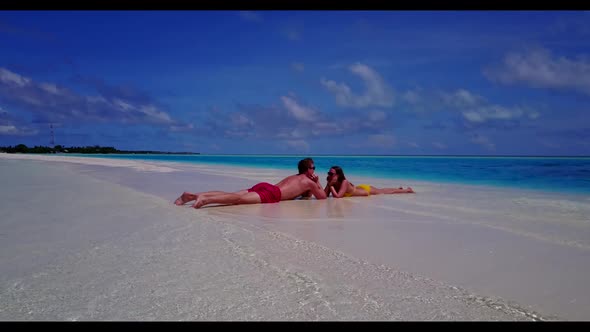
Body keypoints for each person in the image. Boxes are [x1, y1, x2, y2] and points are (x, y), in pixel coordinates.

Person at [174, 158, 327, 209]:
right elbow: (322, 198)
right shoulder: (309, 181)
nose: (314, 170)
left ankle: (194, 196)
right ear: (307, 170)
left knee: (233, 194)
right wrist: (318, 182)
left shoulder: (295, 177)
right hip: (272, 194)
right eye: (313, 167)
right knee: (237, 200)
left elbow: (303, 196)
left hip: (266, 186)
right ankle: (206, 200)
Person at [325, 165, 414, 198]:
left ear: (338, 175)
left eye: (331, 173)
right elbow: (324, 195)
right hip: (358, 188)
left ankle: (406, 190)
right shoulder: (333, 183)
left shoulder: (344, 182)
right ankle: (399, 189)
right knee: (383, 190)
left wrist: (330, 185)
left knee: (384, 191)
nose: (329, 175)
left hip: (366, 190)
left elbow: (338, 196)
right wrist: (328, 185)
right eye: (328, 173)